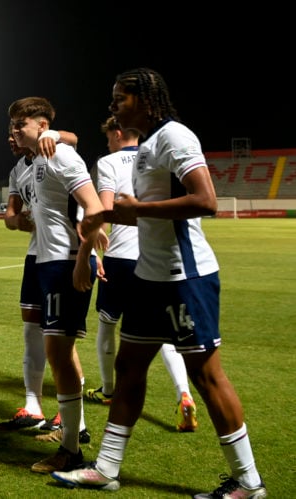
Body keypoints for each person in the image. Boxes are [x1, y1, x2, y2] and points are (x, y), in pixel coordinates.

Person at [51, 67, 267, 498]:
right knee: (128, 368)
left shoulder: (175, 137)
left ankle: (249, 482)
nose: (112, 106)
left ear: (146, 101)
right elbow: (136, 208)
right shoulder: (149, 144)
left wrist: (135, 212)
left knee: (206, 376)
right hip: (149, 276)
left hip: (183, 276)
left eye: (120, 98)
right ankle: (107, 468)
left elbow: (206, 201)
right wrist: (105, 216)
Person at [8, 96, 105, 475]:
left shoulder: (61, 155)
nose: (15, 131)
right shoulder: (30, 167)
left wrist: (83, 257)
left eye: (22, 124)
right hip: (47, 263)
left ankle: (71, 447)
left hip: (66, 264)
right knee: (58, 353)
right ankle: (69, 440)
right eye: (14, 125)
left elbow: (94, 208)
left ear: (42, 124)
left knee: (60, 355)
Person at [86, 116, 198, 433]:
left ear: (118, 133)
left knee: (107, 323)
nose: (107, 142)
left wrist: (94, 251)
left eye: (109, 136)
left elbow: (105, 210)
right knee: (162, 334)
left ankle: (108, 389)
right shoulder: (156, 156)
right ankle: (185, 395)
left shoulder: (108, 162)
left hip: (120, 258)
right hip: (154, 257)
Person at [0, 129, 89, 444]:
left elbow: (73, 137)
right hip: (35, 255)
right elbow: (9, 216)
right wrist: (17, 222)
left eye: (16, 129)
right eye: (8, 132)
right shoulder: (16, 170)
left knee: (63, 338)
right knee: (32, 332)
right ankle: (33, 406)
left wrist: (51, 132)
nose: (10, 137)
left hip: (62, 255)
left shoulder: (53, 148)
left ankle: (74, 419)